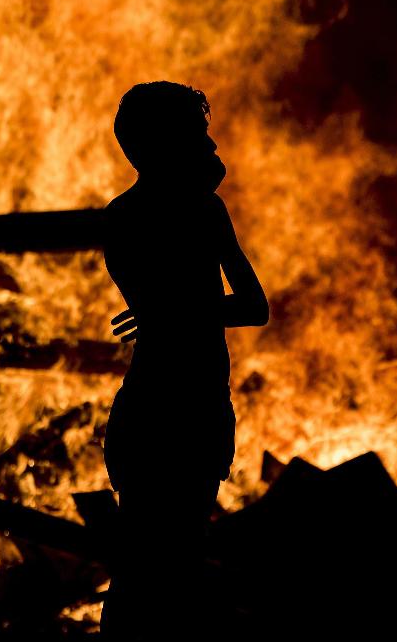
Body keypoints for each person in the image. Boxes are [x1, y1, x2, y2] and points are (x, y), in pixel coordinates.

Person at [101, 81, 268, 639]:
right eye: (198, 136)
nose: (212, 148)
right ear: (165, 146)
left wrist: (174, 311)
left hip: (175, 416)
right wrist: (181, 310)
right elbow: (239, 304)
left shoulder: (148, 214)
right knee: (155, 582)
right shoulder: (188, 214)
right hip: (172, 418)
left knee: (151, 577)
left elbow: (250, 306)